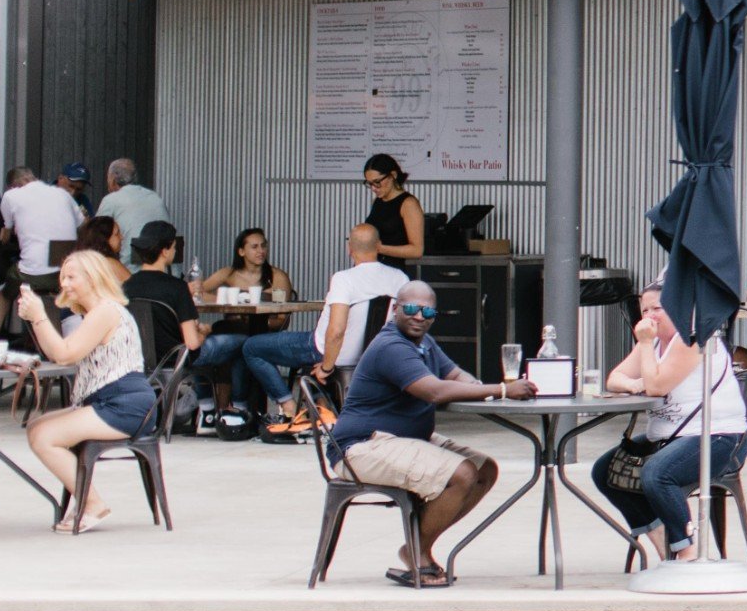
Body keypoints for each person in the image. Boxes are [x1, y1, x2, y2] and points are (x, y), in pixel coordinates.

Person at [333, 279, 531, 587]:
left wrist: (476, 386)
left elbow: (454, 374)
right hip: (362, 446)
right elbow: (435, 391)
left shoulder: (424, 343)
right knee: (462, 474)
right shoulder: (391, 346)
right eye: (411, 308)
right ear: (395, 309)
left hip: (405, 439)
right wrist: (503, 389)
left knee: (484, 470)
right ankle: (416, 553)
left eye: (427, 312)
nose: (419, 316)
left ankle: (417, 546)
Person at [593, 281, 747, 560]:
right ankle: (662, 538)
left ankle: (687, 552)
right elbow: (614, 379)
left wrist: (644, 348)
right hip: (669, 436)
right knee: (605, 471)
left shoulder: (693, 338)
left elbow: (656, 387)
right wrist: (635, 382)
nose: (650, 316)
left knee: (657, 473)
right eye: (645, 310)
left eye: (657, 308)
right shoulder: (653, 343)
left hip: (718, 436)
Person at [11, 250, 154, 530]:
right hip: (111, 401)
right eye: (63, 277)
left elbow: (65, 355)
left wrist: (39, 316)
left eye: (71, 277)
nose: (64, 283)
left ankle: (93, 504)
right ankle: (83, 496)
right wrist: (36, 321)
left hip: (125, 404)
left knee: (44, 436)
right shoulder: (95, 312)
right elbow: (59, 353)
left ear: (93, 278)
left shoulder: (105, 311)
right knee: (37, 427)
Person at [248, 223, 409, 440]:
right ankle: (318, 407)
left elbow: (336, 330)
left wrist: (326, 367)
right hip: (376, 355)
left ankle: (288, 407)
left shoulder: (344, 279)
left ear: (349, 249)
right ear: (379, 246)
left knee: (252, 347)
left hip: (327, 351)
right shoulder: (399, 278)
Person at [189, 228, 293, 430]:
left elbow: (282, 318)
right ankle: (233, 408)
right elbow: (197, 293)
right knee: (210, 346)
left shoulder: (276, 276)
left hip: (264, 332)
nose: (260, 251)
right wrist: (226, 298)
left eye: (263, 246)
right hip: (232, 332)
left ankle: (234, 408)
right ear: (241, 251)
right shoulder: (228, 273)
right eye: (254, 247)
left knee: (245, 346)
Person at [0, 166, 78, 336]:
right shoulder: (62, 194)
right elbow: (83, 224)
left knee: (4, 291)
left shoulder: (11, 195)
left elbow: (4, 236)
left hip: (33, 274)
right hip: (66, 271)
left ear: (13, 185)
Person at [123, 221, 201, 358]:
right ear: (165, 252)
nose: (175, 251)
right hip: (174, 363)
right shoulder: (178, 287)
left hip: (135, 362)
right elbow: (192, 344)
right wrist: (204, 333)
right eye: (174, 247)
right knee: (232, 343)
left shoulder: (126, 286)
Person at [359, 153, 428, 274]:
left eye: (377, 182)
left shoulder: (409, 204)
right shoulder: (378, 201)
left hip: (394, 273)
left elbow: (417, 250)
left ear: (393, 175)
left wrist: (380, 249)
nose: (373, 188)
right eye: (369, 183)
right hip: (373, 270)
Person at [91, 159, 167, 252]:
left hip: (129, 260)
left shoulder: (111, 200)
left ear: (112, 180)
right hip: (165, 259)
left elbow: (95, 236)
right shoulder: (155, 197)